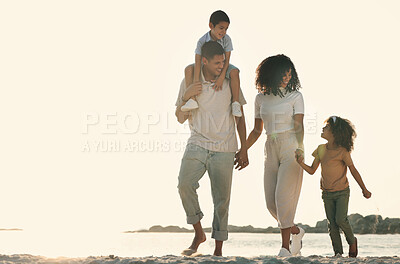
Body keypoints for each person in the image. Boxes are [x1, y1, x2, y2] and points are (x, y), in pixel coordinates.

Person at [175, 41, 249, 256]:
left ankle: (218, 250)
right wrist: (187, 95)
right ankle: (198, 233)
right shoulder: (190, 80)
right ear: (204, 61)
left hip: (225, 147)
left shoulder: (230, 81)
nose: (221, 66)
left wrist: (244, 148)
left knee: (221, 201)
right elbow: (180, 118)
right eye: (217, 62)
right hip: (197, 143)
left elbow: (240, 116)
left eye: (223, 62)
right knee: (184, 185)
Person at [239, 54, 305, 257]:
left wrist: (300, 148)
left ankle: (285, 247)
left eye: (289, 72)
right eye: (283, 72)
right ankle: (296, 231)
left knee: (283, 198)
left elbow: (299, 125)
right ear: (271, 74)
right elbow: (257, 130)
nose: (287, 76)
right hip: (270, 146)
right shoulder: (260, 98)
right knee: (270, 202)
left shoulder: (295, 96)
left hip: (290, 146)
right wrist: (244, 149)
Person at [295, 116, 372, 258]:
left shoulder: (342, 151)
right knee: (332, 225)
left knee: (340, 219)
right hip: (327, 193)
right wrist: (300, 163)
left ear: (335, 133)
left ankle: (352, 241)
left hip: (342, 192)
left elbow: (353, 170)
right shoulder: (321, 149)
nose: (323, 129)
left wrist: (364, 189)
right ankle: (338, 253)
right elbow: (312, 170)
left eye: (327, 127)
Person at [181, 10, 242, 117]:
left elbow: (227, 60)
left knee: (235, 72)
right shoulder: (202, 41)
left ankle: (235, 103)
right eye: (221, 28)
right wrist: (196, 82)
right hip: (205, 65)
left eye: (226, 29)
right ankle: (192, 99)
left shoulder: (227, 39)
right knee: (188, 69)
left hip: (222, 64)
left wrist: (221, 77)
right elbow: (198, 60)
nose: (223, 32)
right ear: (211, 26)